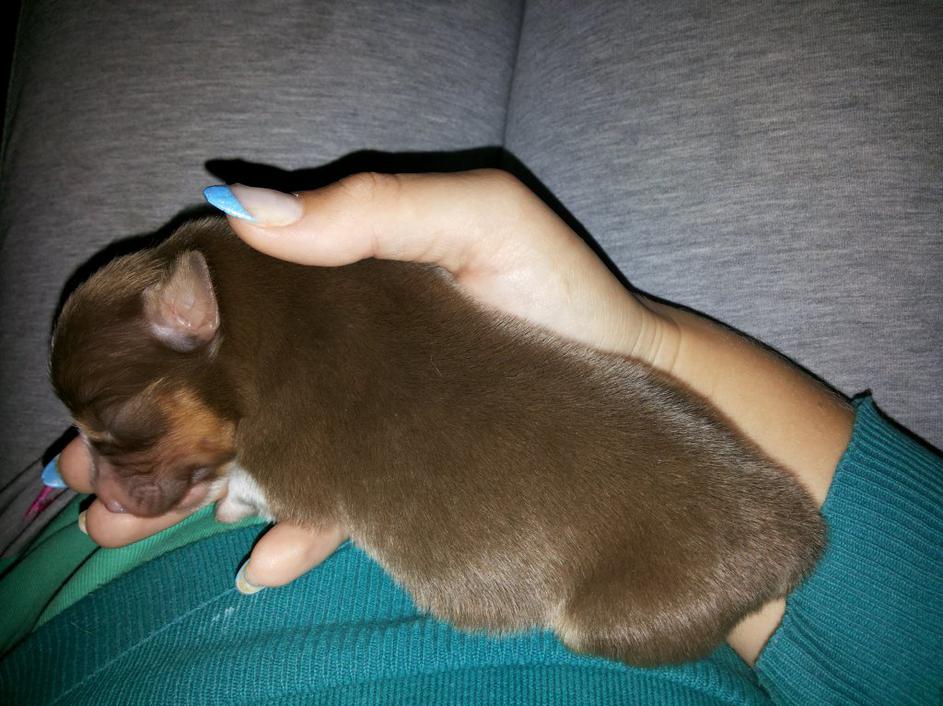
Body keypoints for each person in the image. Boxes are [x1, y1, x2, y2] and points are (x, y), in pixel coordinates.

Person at [31, 170, 940, 703]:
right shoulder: (253, 337)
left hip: (631, 565)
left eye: (113, 430)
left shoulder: (273, 384)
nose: (107, 464)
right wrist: (646, 344)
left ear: (191, 312)